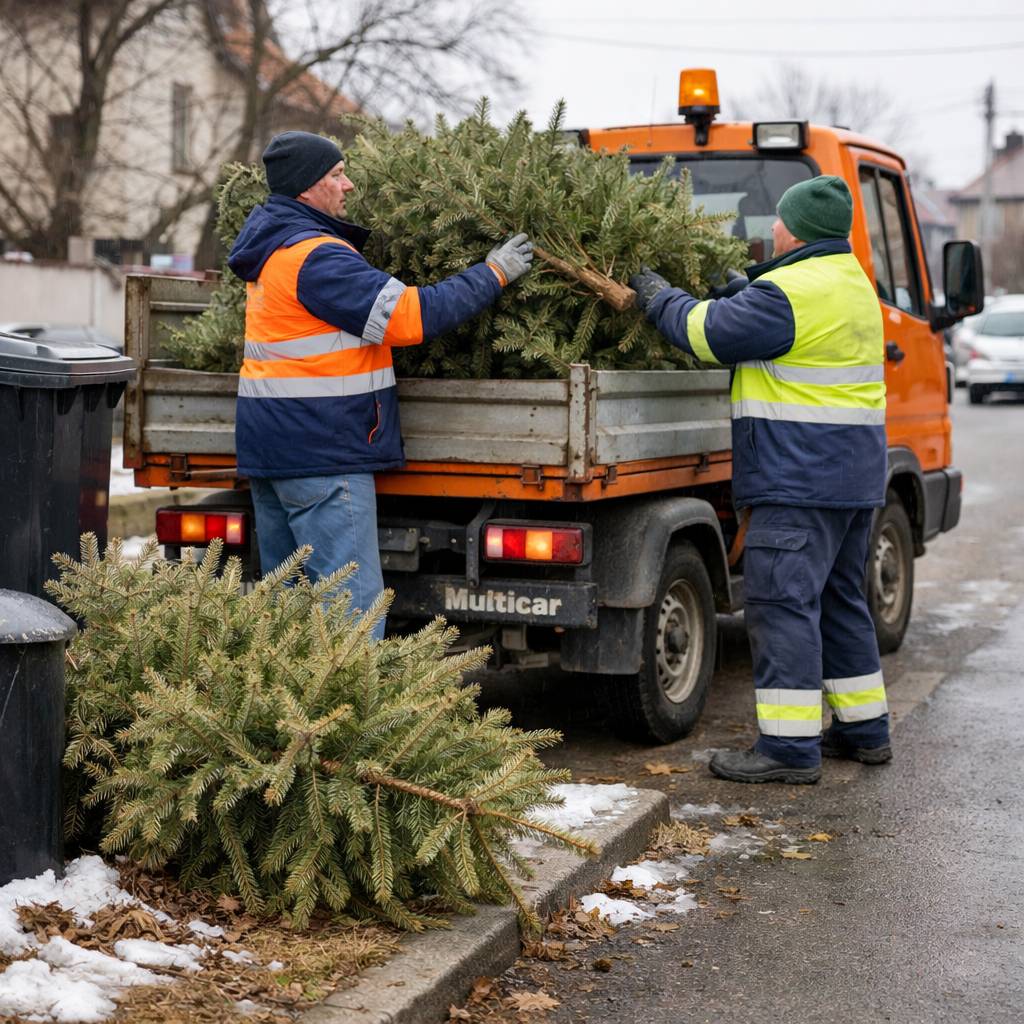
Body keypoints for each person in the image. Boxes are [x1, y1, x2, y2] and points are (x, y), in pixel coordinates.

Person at [629, 175, 890, 784]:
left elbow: (704, 334)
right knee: (840, 600)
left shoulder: (788, 294)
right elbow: (789, 334)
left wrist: (658, 295)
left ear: (796, 230)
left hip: (797, 480)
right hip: (851, 480)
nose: (772, 227)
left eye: (778, 218)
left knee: (780, 605)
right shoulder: (852, 282)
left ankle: (788, 749)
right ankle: (865, 730)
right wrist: (745, 293)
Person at [228, 131, 533, 639]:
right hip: (323, 453)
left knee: (286, 613)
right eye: (336, 174)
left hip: (276, 450)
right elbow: (411, 317)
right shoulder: (316, 257)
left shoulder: (274, 249)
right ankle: (353, 694)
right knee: (353, 611)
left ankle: (285, 692)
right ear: (307, 187)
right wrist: (493, 273)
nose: (348, 184)